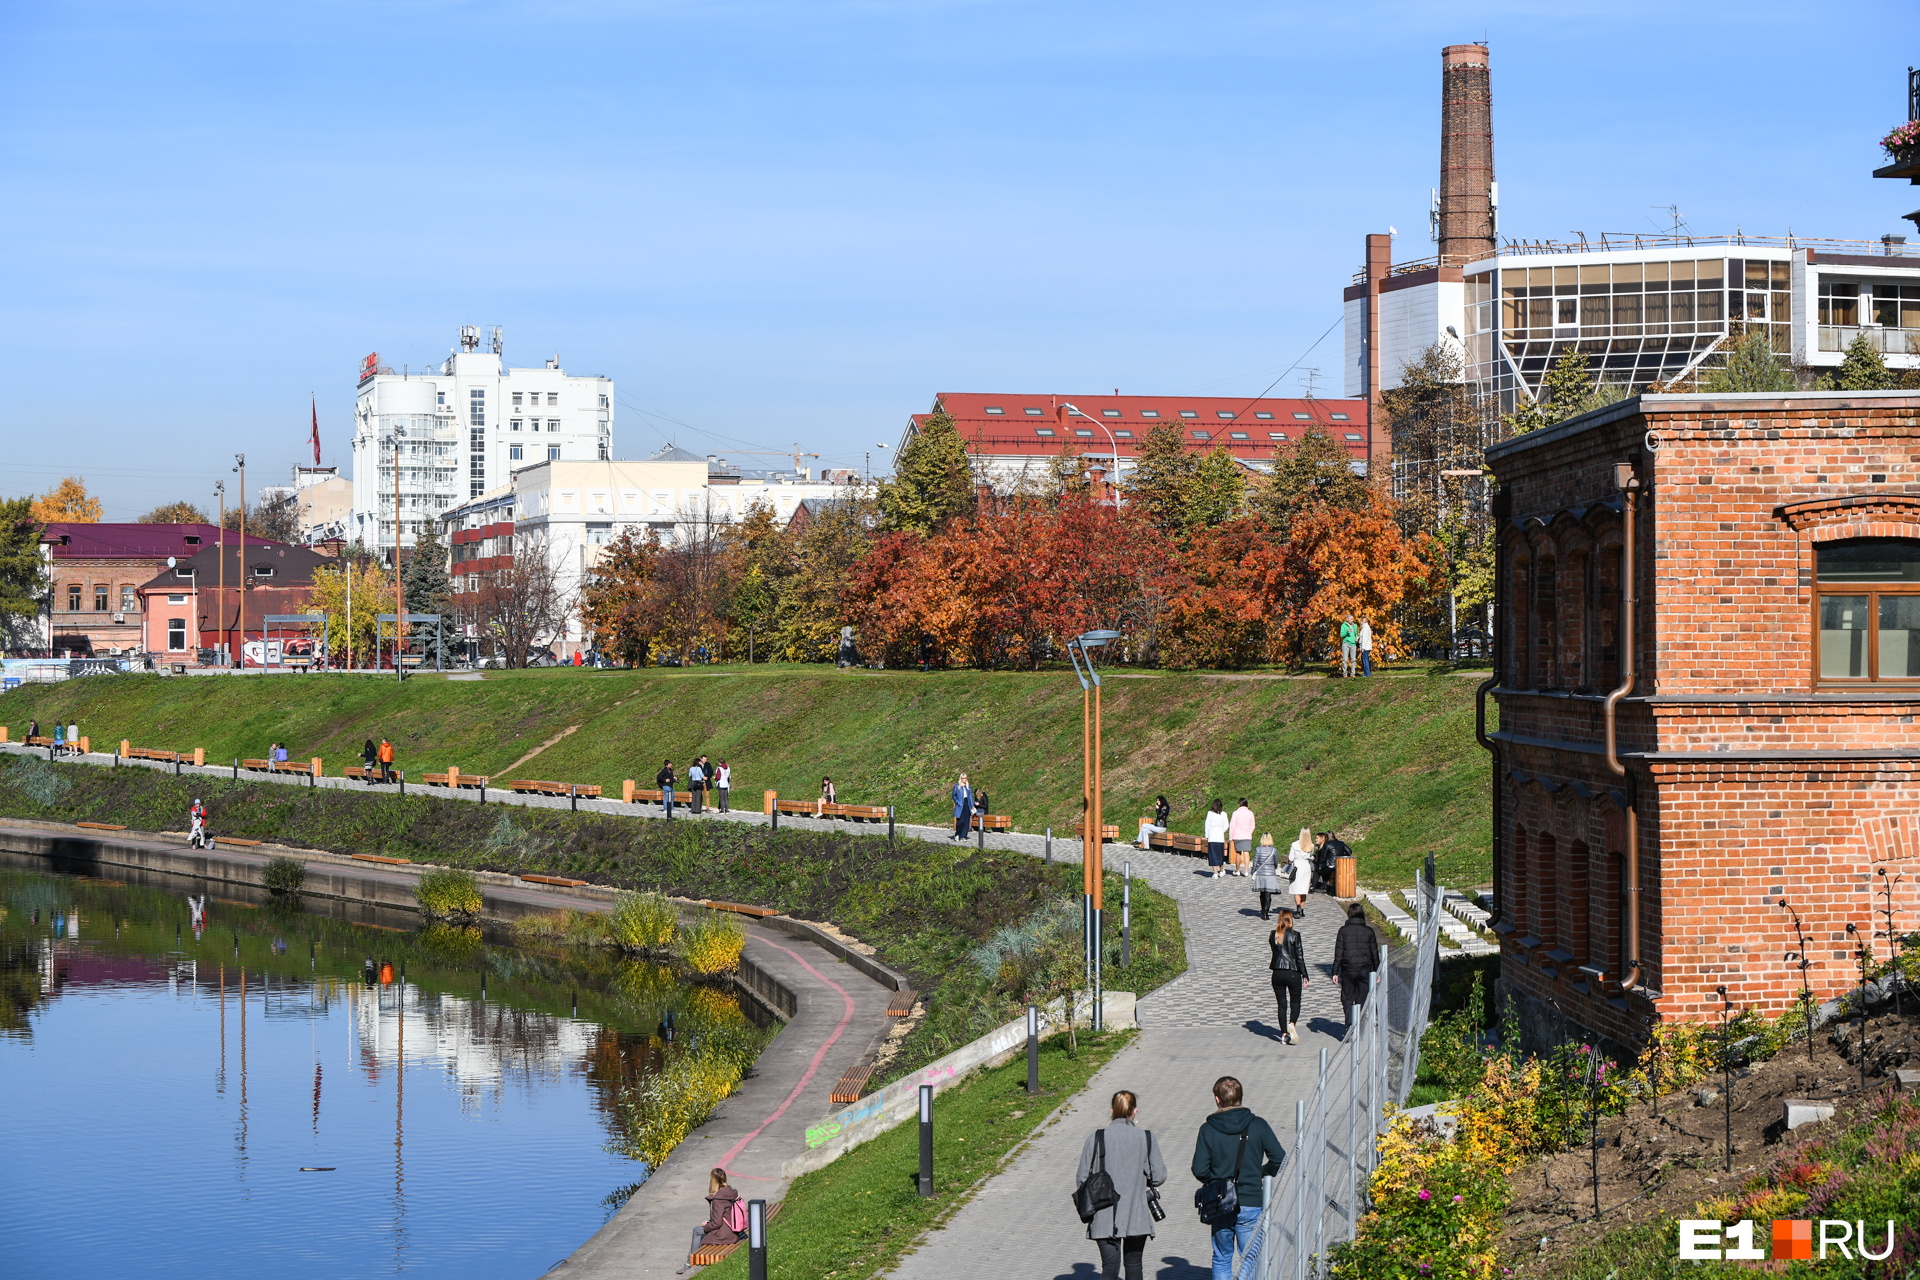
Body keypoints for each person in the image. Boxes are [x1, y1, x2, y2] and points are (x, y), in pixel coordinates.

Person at [1191, 1076, 1284, 1280]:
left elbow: (1199, 1170)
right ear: (1241, 1098)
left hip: (1220, 1201)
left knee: (1222, 1256)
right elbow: (1279, 1158)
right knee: (1250, 1257)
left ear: (1217, 1100)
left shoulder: (1207, 1129)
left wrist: (1216, 1180)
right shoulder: (1258, 1125)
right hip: (1251, 1201)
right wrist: (1259, 1173)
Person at [1076, 1089, 1167, 1280]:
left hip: (1103, 1215)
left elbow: (1082, 1179)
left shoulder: (1096, 1138)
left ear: (1112, 1110)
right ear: (1134, 1111)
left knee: (1110, 1267)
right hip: (1136, 1214)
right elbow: (1159, 1177)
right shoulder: (1146, 1138)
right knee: (1134, 1266)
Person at [1333, 902, 1382, 1028]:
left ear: (1349, 915)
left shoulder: (1343, 931)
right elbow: (1374, 953)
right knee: (1362, 997)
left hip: (1348, 969)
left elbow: (1338, 952)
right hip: (1364, 969)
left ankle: (1350, 1024)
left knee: (1347, 998)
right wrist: (1377, 971)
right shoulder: (1369, 931)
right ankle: (1358, 1022)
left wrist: (1335, 971)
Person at [689, 1167, 744, 1263]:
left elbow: (717, 1223)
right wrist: (709, 1222)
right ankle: (690, 1261)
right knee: (701, 1230)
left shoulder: (718, 1199)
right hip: (734, 1231)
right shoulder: (730, 1193)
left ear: (713, 1182)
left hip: (725, 1235)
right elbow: (724, 1216)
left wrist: (706, 1226)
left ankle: (690, 1263)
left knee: (697, 1231)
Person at [1270, 909, 1308, 1043]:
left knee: (1281, 1004)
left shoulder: (1273, 935)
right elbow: (1299, 957)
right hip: (1293, 972)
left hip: (1277, 973)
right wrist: (1305, 974)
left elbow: (1276, 952)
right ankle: (1292, 1024)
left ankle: (1284, 1034)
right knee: (1295, 1002)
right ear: (1290, 920)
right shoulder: (1295, 935)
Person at [1249, 834, 1285, 920]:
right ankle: (1266, 911)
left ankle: (1263, 909)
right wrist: (1274, 868)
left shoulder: (1258, 849)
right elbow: (1276, 862)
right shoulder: (1274, 850)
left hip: (1261, 873)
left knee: (1262, 892)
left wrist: (1253, 871)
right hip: (1270, 874)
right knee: (1268, 894)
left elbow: (1255, 862)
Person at [1287, 827, 1313, 919]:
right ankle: (1302, 909)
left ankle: (1298, 906)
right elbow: (1310, 856)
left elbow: (1290, 858)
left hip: (1297, 866)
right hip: (1306, 867)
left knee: (1297, 889)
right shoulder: (1311, 846)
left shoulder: (1294, 844)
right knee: (1304, 889)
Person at [1226, 799, 1256, 877]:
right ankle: (1246, 871)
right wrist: (1249, 832)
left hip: (1238, 835)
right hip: (1247, 836)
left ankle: (1238, 870)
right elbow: (1252, 825)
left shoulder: (1235, 813)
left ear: (1239, 804)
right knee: (1246, 853)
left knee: (1238, 853)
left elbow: (1232, 825)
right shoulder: (1250, 813)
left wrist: (1231, 836)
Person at [1203, 800, 1229, 879]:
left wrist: (1207, 834)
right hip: (1220, 837)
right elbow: (1226, 825)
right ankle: (1221, 871)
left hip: (1212, 837)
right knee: (1220, 854)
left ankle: (1215, 873)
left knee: (1213, 855)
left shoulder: (1210, 813)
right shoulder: (1224, 814)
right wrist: (1221, 830)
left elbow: (1207, 824)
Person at [951, 773, 974, 840]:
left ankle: (963, 835)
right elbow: (953, 795)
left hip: (967, 803)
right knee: (960, 820)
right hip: (960, 804)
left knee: (966, 821)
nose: (964, 779)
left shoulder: (968, 786)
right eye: (963, 778)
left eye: (965, 778)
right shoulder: (957, 786)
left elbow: (970, 796)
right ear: (961, 779)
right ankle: (957, 834)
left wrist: (972, 805)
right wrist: (957, 802)